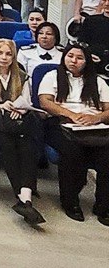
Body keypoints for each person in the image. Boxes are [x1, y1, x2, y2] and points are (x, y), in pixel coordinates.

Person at [36, 44, 109, 223]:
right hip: (60, 123)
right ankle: (70, 202)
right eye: (70, 56)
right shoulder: (52, 76)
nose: (74, 61)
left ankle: (104, 206)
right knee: (72, 151)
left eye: (79, 58)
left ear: (87, 61)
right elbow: (45, 102)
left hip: (92, 125)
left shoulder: (98, 81)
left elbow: (108, 108)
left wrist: (96, 118)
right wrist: (71, 115)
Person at [0, 39, 44, 226]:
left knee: (28, 147)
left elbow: (26, 103)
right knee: (7, 147)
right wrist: (3, 106)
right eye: (0, 53)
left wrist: (19, 110)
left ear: (14, 57)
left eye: (8, 54)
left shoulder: (22, 76)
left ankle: (25, 199)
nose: (4, 57)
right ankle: (23, 197)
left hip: (19, 120)